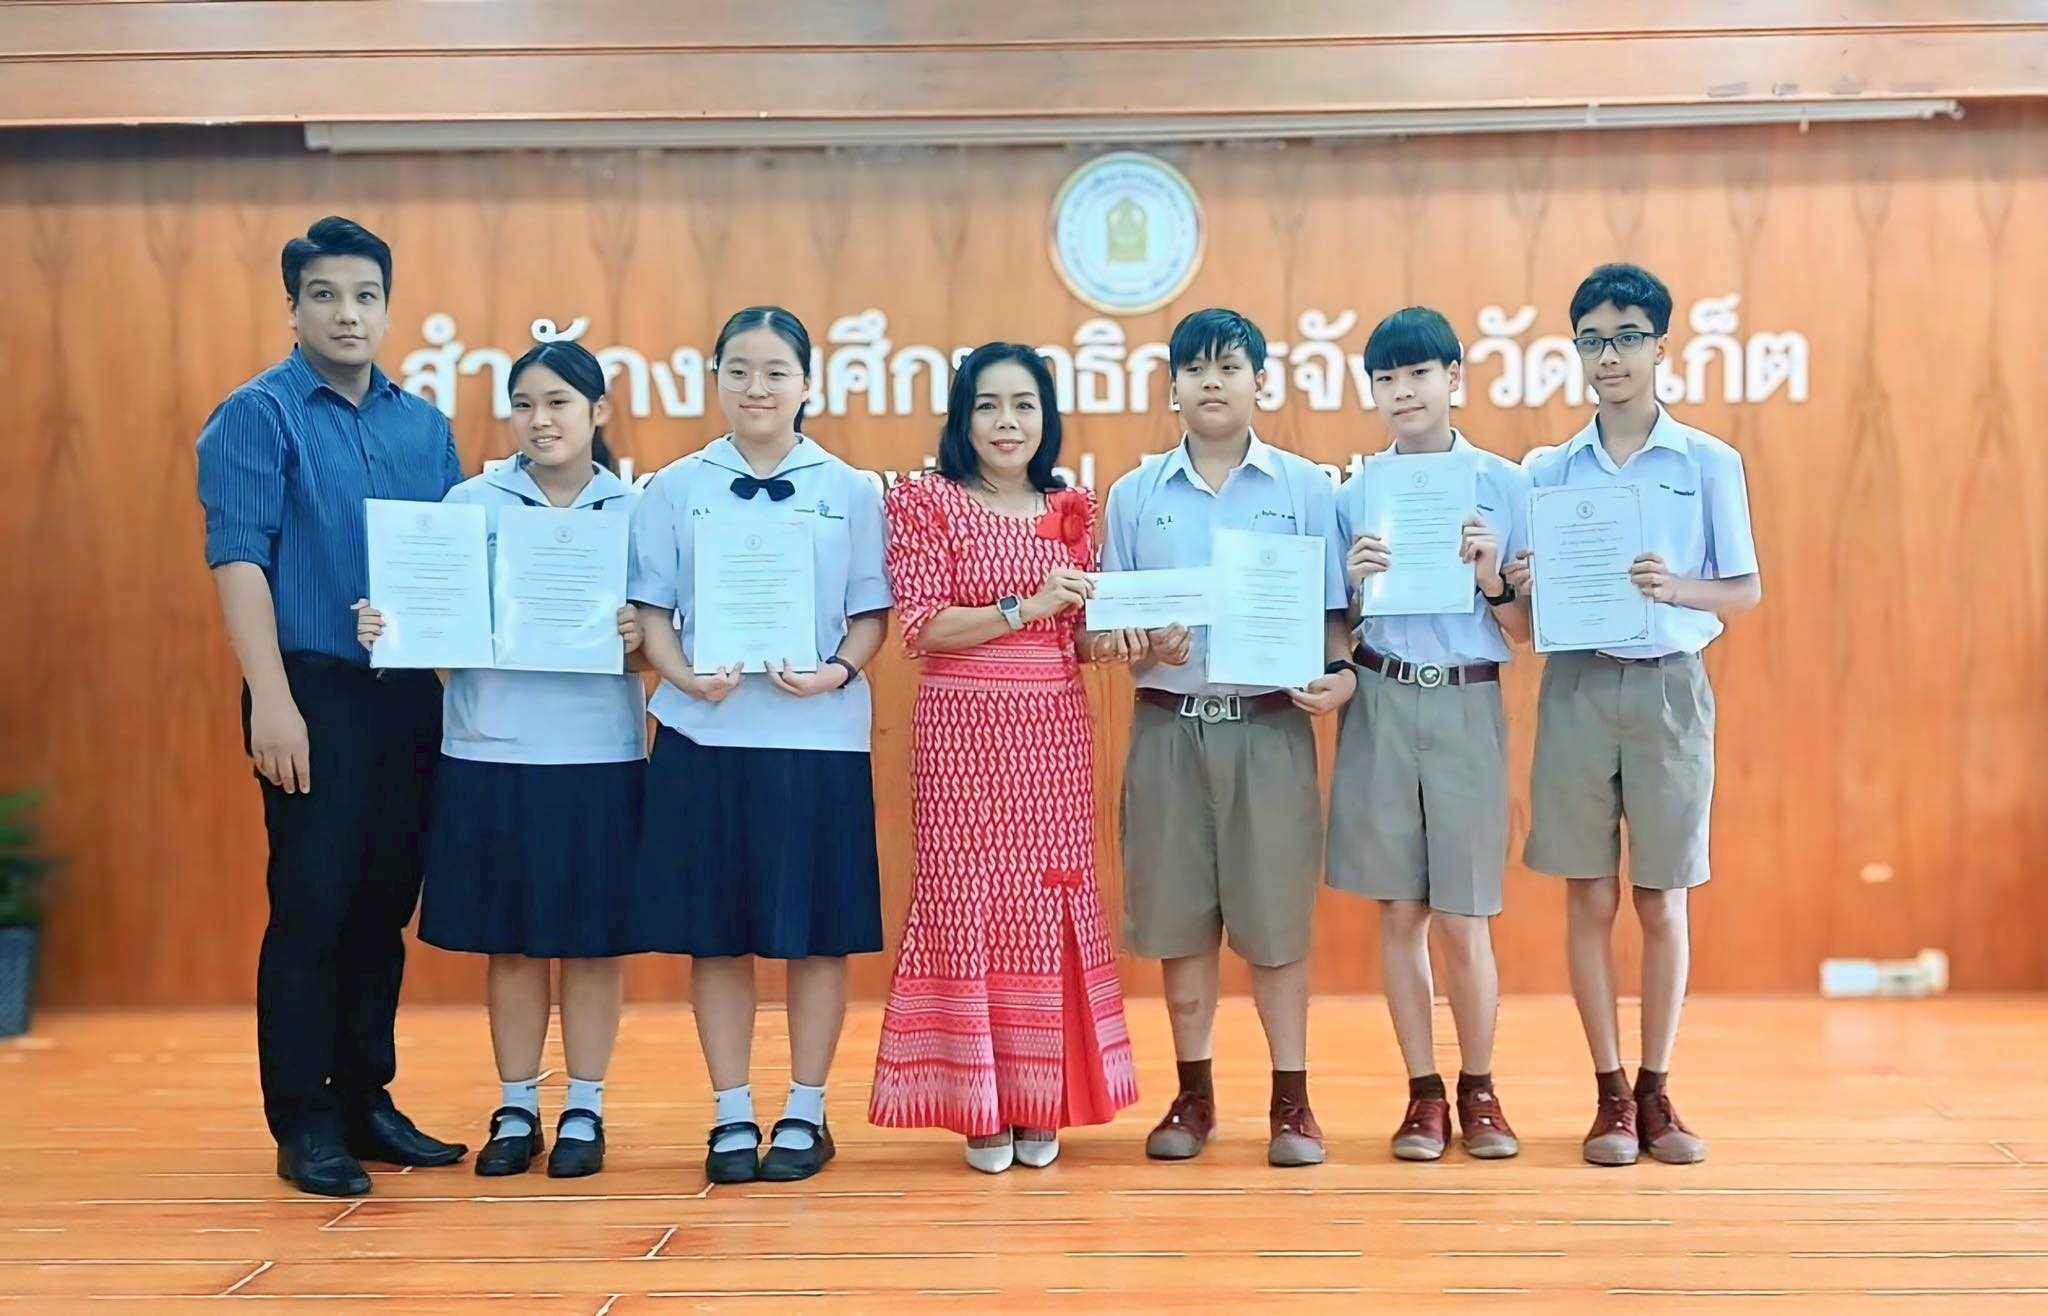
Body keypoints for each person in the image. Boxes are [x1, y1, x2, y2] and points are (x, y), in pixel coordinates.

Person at [195, 216, 467, 1197]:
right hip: (309, 692)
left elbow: (452, 562)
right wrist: (271, 700)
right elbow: (239, 559)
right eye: (325, 295)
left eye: (364, 295)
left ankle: (363, 1098)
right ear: (294, 307)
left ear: (387, 308)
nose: (347, 313)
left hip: (409, 698)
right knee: (312, 906)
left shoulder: (423, 426)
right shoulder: (255, 416)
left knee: (383, 905)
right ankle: (303, 1119)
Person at [353, 339, 646, 1179]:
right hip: (489, 750)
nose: (540, 419)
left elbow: (668, 643)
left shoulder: (636, 510)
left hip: (599, 753)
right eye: (524, 404)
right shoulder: (468, 503)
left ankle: (585, 1106)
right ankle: (516, 1105)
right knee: (510, 945)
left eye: (558, 402)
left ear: (598, 411)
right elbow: (435, 631)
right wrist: (392, 627)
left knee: (592, 944)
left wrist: (641, 639)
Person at [1504, 263, 1762, 1166]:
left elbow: (1744, 589)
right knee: (1589, 892)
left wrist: (1676, 586)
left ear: (1660, 345)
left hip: (1669, 690)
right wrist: (1518, 583)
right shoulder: (1547, 470)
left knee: (1661, 896)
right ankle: (1608, 1093)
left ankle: (1658, 1089)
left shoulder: (1707, 462)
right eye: (1591, 341)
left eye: (1626, 338)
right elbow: (1521, 617)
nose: (1608, 357)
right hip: (1578, 685)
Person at [628, 306, 892, 1184]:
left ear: (807, 383)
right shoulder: (674, 486)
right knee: (717, 936)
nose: (757, 387)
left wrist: (837, 672)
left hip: (818, 741)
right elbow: (652, 610)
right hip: (705, 736)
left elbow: (870, 613)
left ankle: (806, 1113)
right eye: (738, 370)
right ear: (714, 379)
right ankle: (732, 1113)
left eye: (776, 371)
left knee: (819, 935)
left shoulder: (851, 489)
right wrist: (683, 675)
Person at [1089, 308, 1354, 1168]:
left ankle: (1292, 1101)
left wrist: (1339, 672)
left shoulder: (1306, 489)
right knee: (1179, 924)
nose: (1212, 382)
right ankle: (1193, 1095)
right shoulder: (1134, 496)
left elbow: (1334, 616)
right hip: (1168, 729)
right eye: (1196, 369)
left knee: (1277, 928)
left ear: (1259, 383)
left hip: (1270, 729)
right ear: (1172, 387)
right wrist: (1139, 643)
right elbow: (1106, 630)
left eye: (1229, 367)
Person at [868, 342, 1142, 1173]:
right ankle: (978, 1105)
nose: (1006, 422)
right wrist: (1025, 605)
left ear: (1046, 418)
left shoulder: (1073, 507)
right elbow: (923, 626)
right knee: (967, 901)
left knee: (1045, 902)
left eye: (1024, 405)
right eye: (988, 405)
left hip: (1053, 735)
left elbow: (1080, 635)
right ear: (963, 418)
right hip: (961, 735)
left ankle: (1038, 1097)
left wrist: (1128, 638)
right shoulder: (926, 501)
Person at [1328, 307, 1530, 1162]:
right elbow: (1336, 625)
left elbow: (1528, 631)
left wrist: (1491, 581)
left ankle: (1480, 1088)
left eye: (1418, 374)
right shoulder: (1354, 494)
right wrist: (1352, 586)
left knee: (1462, 913)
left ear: (1454, 378)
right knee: (1400, 909)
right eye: (1385, 379)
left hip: (1466, 700)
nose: (1402, 392)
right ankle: (1423, 1093)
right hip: (1380, 697)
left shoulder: (1506, 486)